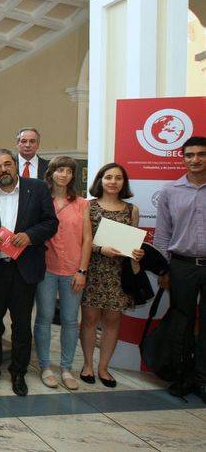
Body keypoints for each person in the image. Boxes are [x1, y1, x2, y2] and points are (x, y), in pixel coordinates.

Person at [0, 148, 58, 397]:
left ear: (15, 166)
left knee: (21, 324)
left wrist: (30, 236)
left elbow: (51, 222)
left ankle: (18, 372)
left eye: (7, 164)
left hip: (24, 269)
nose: (3, 169)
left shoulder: (37, 188)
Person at [79, 163, 144, 389]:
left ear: (123, 183)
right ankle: (88, 364)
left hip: (119, 273)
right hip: (93, 270)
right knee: (88, 320)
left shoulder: (131, 210)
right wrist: (100, 249)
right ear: (100, 181)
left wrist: (137, 251)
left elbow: (134, 242)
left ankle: (103, 367)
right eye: (108, 177)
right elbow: (81, 241)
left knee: (113, 321)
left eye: (118, 178)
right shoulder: (88, 207)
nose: (113, 182)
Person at [155, 136, 206, 401]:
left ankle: (203, 379)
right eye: (189, 155)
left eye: (201, 154)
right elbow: (162, 235)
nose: (195, 160)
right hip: (182, 266)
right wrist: (163, 270)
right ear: (183, 158)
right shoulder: (170, 191)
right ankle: (182, 377)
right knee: (181, 323)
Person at [35, 156, 91, 390]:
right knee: (44, 318)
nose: (64, 174)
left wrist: (82, 270)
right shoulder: (41, 200)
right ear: (51, 173)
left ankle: (66, 368)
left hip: (73, 270)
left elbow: (87, 239)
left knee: (70, 320)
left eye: (68, 171)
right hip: (46, 268)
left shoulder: (82, 204)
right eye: (59, 170)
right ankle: (45, 366)